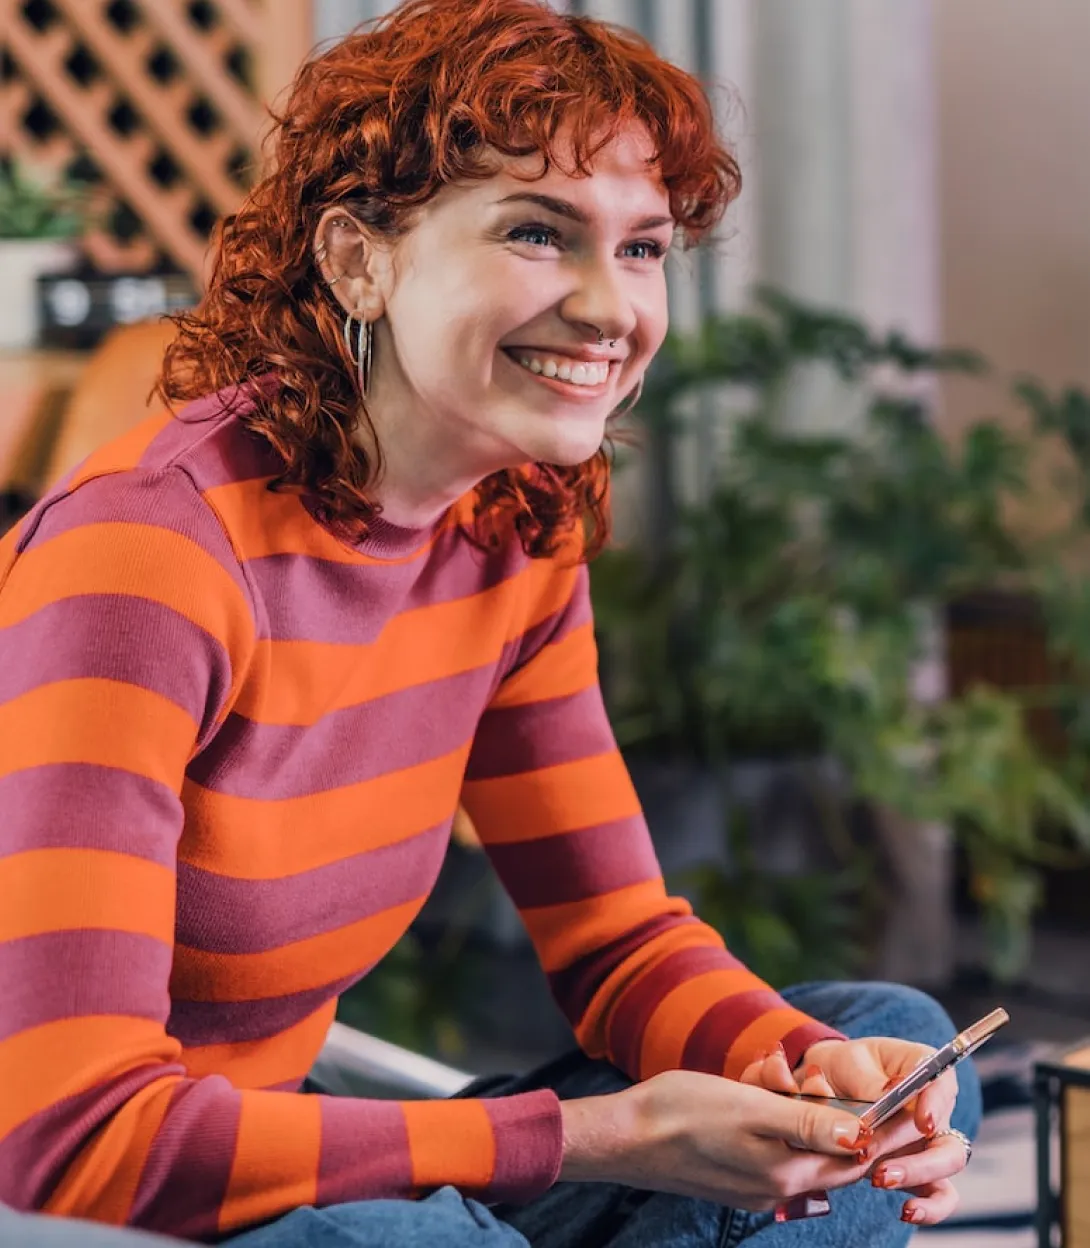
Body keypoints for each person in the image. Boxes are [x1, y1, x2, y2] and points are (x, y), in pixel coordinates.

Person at [0, 0, 980, 1244]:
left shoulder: (512, 526)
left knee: (883, 1039)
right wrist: (594, 1139)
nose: (610, 307)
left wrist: (810, 1076)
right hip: (88, 1202)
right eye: (536, 231)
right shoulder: (145, 559)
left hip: (280, 1159)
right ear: (358, 259)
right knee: (409, 1240)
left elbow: (616, 941)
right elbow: (66, 1142)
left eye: (641, 248)